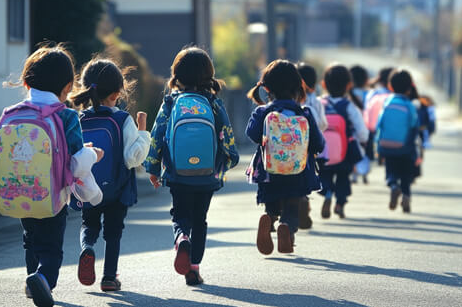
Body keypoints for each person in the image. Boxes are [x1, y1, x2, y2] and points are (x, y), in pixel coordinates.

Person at [0, 44, 103, 307]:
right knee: (51, 248)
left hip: (19, 194)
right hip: (52, 197)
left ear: (26, 83)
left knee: (31, 241)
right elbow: (75, 162)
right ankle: (44, 279)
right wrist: (93, 157)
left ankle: (32, 279)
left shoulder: (11, 114)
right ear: (67, 88)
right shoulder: (67, 117)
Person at [145, 47, 239, 286]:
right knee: (201, 219)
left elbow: (157, 136)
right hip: (207, 175)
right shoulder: (214, 104)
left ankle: (181, 237)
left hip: (178, 173)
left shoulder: (171, 103)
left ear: (176, 75)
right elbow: (226, 134)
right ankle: (194, 268)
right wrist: (230, 159)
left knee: (180, 215)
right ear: (209, 75)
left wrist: (153, 168)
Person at [70, 59, 151, 292]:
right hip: (116, 189)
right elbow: (133, 158)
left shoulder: (78, 119)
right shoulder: (122, 119)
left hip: (87, 187)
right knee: (113, 232)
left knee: (89, 224)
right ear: (117, 93)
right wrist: (143, 132)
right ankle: (108, 277)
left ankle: (87, 247)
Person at [246, 60, 324, 255]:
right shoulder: (305, 113)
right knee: (292, 206)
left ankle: (269, 217)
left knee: (271, 200)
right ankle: (287, 228)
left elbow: (252, 134)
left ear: (267, 88)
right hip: (298, 172)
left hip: (269, 171)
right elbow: (318, 143)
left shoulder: (263, 112)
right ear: (298, 87)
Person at [318, 64, 369, 219]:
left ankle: (327, 194)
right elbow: (361, 130)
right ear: (348, 85)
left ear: (324, 84)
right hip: (344, 151)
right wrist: (363, 140)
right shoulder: (349, 106)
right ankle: (340, 204)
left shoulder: (320, 103)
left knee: (324, 176)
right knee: (343, 178)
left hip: (323, 151)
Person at [375, 70, 420, 213]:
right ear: (409, 88)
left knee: (391, 170)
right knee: (406, 174)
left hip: (387, 145)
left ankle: (393, 185)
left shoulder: (386, 102)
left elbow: (379, 124)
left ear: (390, 86)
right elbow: (414, 124)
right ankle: (406, 196)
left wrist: (378, 144)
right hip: (405, 147)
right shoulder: (409, 105)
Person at [296, 62, 328, 229]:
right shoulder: (315, 103)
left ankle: (272, 213)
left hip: (284, 148)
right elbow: (322, 124)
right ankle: (304, 200)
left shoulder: (289, 101)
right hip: (309, 148)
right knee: (304, 177)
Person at [363, 67, 394, 163]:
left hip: (372, 129)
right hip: (390, 130)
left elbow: (366, 110)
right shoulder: (393, 95)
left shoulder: (372, 93)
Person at [349, 65, 371, 184]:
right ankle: (364, 172)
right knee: (364, 150)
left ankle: (354, 174)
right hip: (365, 125)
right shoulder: (367, 94)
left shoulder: (348, 93)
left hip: (351, 125)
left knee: (352, 148)